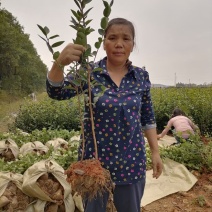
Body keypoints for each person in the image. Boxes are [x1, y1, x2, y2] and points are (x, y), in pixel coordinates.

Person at [46, 17, 163, 212]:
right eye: (112, 38)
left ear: (133, 44)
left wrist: (155, 152)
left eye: (126, 38)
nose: (119, 44)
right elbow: (56, 92)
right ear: (103, 42)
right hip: (94, 167)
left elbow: (147, 118)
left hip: (131, 162)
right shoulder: (90, 73)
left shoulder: (140, 77)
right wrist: (59, 63)